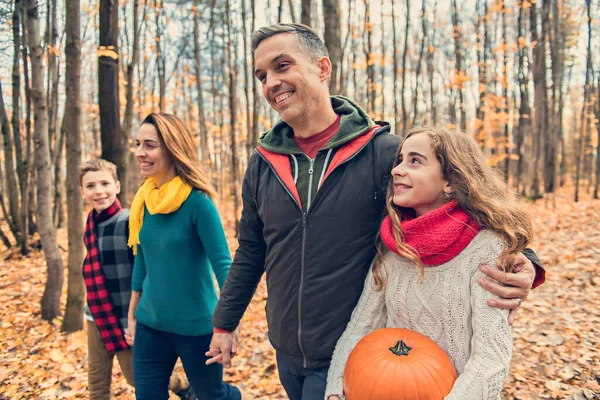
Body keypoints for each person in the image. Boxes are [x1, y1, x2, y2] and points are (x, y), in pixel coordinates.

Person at [208, 23, 545, 400]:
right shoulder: (263, 164)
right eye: (262, 75)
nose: (271, 82)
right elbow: (252, 250)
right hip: (286, 348)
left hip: (360, 352)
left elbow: (462, 207)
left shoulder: (384, 153)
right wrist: (225, 322)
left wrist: (524, 261)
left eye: (282, 66)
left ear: (322, 68)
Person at [325, 126, 533, 399]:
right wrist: (335, 391)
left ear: (450, 180)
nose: (397, 170)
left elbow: (490, 361)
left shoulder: (486, 248)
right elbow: (359, 328)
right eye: (399, 160)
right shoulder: (392, 245)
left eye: (415, 161)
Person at [126, 113, 246, 400]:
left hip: (197, 328)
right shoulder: (144, 200)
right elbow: (142, 260)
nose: (139, 152)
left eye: (149, 145)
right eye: (138, 144)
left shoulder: (198, 202)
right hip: (150, 324)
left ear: (172, 148)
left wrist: (229, 323)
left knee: (211, 395)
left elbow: (223, 264)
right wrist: (132, 314)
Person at [78, 159, 194, 400]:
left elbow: (145, 267)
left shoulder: (130, 221)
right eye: (90, 186)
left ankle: (182, 385)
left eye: (104, 183)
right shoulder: (90, 225)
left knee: (135, 376)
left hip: (128, 314)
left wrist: (140, 313)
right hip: (96, 314)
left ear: (117, 186)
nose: (98, 191)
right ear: (82, 192)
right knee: (97, 379)